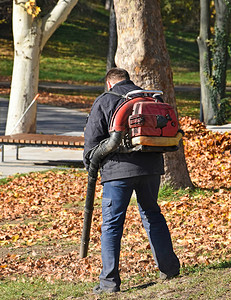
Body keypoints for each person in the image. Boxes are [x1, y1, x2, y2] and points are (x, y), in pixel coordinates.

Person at [83, 68, 180, 294]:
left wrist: (91, 168)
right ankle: (169, 269)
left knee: (112, 225)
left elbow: (92, 141)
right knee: (152, 216)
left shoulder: (105, 100)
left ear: (109, 83)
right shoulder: (152, 97)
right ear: (128, 79)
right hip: (151, 168)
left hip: (117, 173)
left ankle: (109, 283)